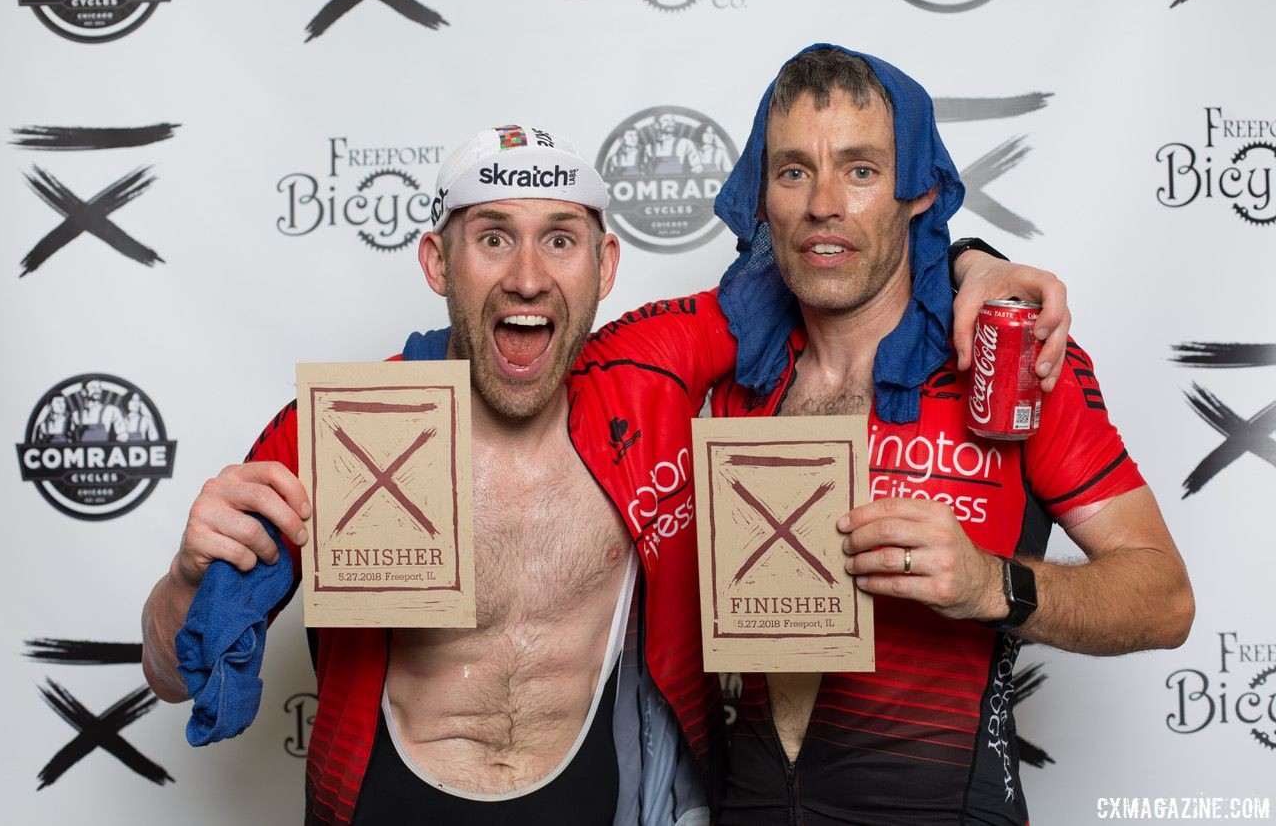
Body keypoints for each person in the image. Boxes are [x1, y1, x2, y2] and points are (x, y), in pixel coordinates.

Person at [140, 121, 1068, 824]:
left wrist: (968, 261)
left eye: (561, 239)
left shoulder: (649, 376)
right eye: (492, 237)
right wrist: (187, 581)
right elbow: (174, 670)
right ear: (438, 262)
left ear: (605, 264)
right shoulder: (344, 430)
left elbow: (820, 264)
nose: (529, 276)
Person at [707, 44, 1195, 824]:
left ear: (919, 192)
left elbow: (1165, 597)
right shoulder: (730, 376)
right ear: (760, 197)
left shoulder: (1010, 362)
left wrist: (988, 584)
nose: (823, 203)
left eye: (861, 170)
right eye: (794, 170)